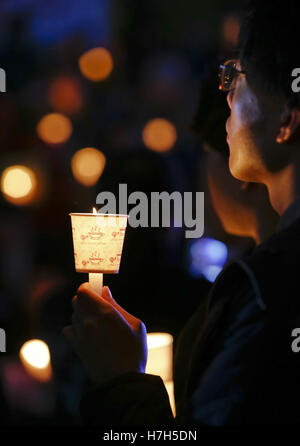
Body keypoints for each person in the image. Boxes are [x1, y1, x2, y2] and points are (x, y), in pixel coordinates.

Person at [63, 0, 300, 425]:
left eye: (237, 75)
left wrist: (121, 379)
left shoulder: (268, 289)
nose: (225, 94)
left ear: (287, 115)